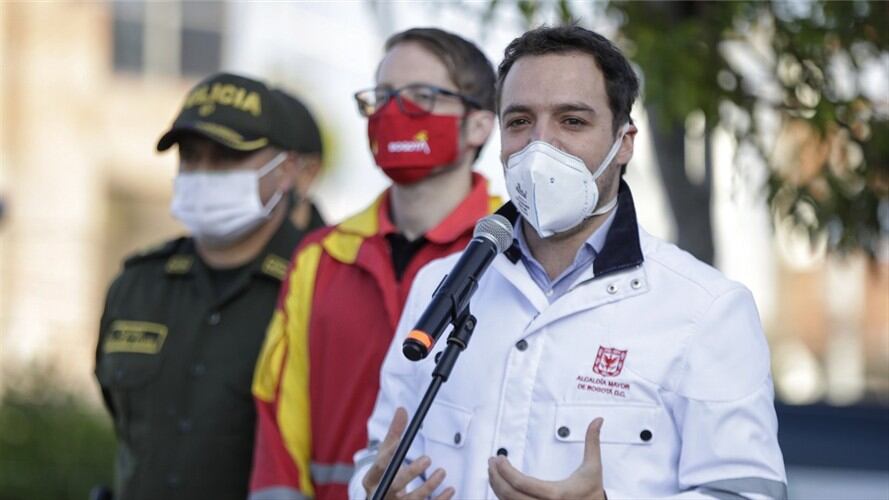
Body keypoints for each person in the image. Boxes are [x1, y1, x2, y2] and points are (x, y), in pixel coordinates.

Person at [352, 25, 787, 500]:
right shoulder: (440, 285)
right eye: (519, 121)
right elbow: (377, 455)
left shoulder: (708, 309)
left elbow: (748, 494)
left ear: (624, 142)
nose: (541, 146)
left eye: (572, 121)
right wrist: (374, 489)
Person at [249, 27, 500, 500]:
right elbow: (279, 430)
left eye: (422, 96)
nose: (394, 113)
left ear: (480, 125)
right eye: (383, 96)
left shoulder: (513, 254)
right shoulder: (321, 259)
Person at [94, 72, 326, 500]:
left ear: (287, 171)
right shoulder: (137, 286)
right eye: (191, 157)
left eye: (225, 158)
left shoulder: (323, 286)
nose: (203, 173)